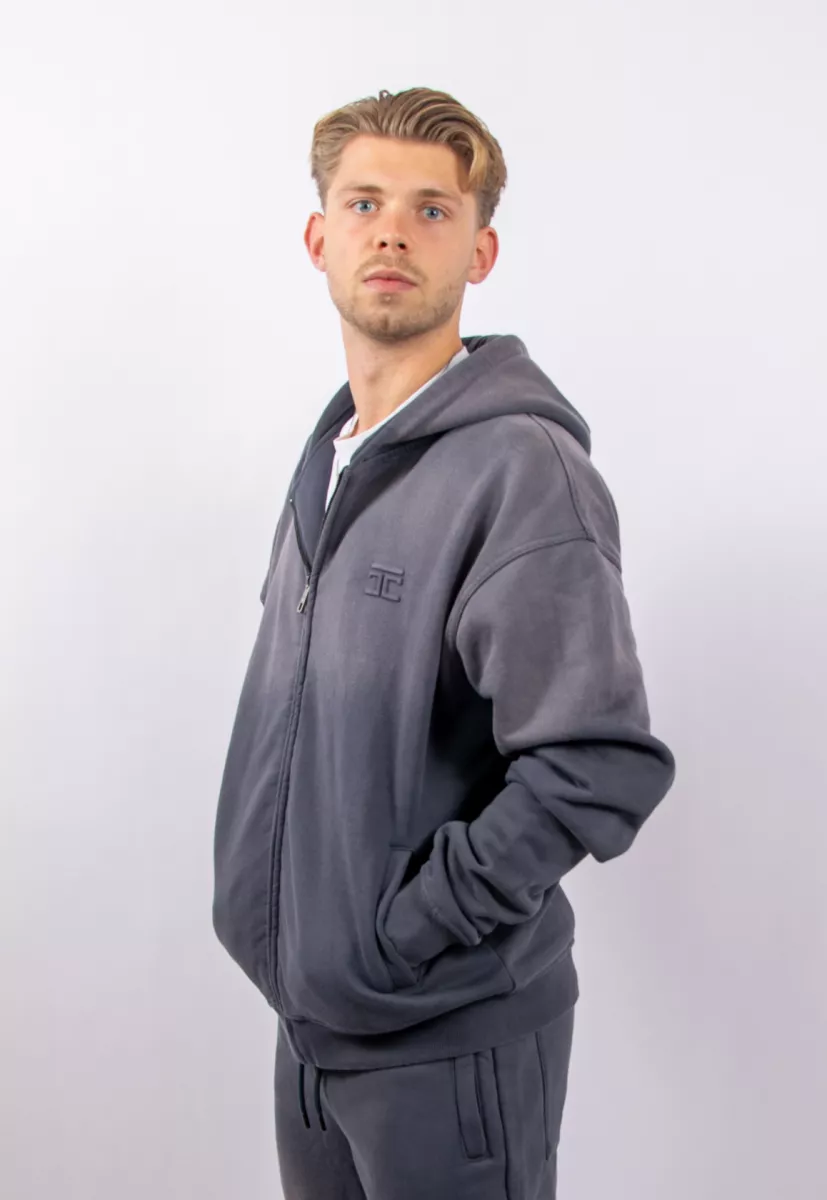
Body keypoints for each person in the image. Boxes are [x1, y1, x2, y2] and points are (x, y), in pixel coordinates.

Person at [212, 85, 677, 1199]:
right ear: (318, 238)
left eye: (431, 210)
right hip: (310, 1031)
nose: (391, 232)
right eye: (363, 202)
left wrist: (405, 932)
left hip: (446, 1040)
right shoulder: (334, 461)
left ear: (480, 251)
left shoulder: (520, 470)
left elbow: (595, 764)